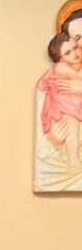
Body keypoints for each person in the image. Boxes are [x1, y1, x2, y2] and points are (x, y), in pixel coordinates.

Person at [38, 32, 82, 166]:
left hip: (71, 105)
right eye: (68, 53)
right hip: (63, 107)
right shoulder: (60, 67)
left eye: (75, 47)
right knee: (71, 126)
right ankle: (73, 159)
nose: (75, 54)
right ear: (61, 58)